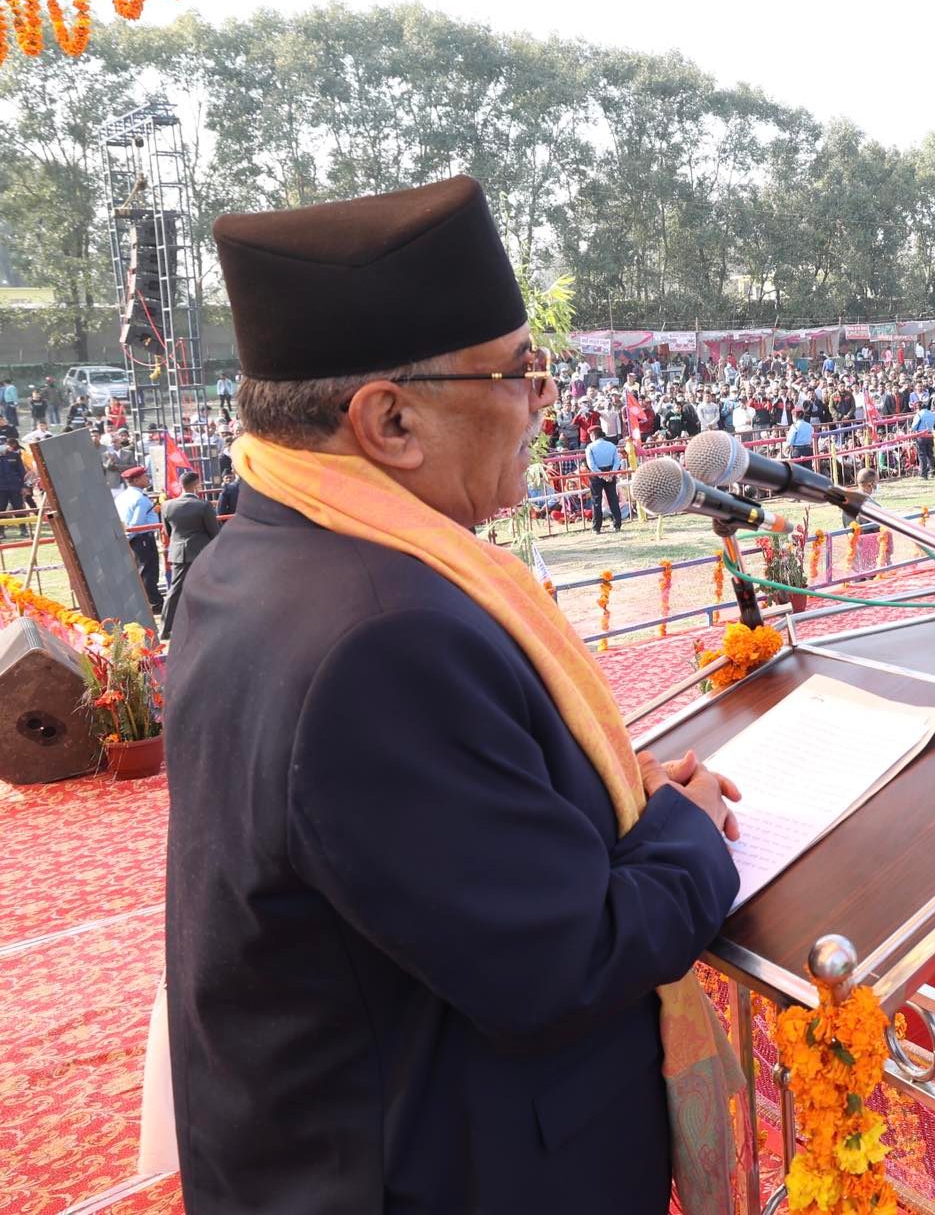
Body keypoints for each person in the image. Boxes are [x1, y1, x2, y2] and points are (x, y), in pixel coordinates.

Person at [166, 175, 741, 1213]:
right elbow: (563, 960)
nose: (543, 401)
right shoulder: (384, 634)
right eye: (520, 372)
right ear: (388, 420)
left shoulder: (260, 555)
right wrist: (681, 827)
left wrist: (581, 797)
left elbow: (411, 850)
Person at [160, 469, 221, 637]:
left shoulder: (167, 505)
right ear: (197, 485)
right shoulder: (203, 505)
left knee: (174, 590)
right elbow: (214, 532)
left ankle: (165, 629)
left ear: (181, 485)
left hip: (179, 553)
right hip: (201, 551)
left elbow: (167, 531)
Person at [113, 464, 163, 613]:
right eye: (144, 477)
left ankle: (147, 601)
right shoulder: (140, 499)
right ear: (135, 480)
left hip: (133, 538)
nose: (147, 479)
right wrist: (130, 537)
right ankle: (154, 602)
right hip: (142, 538)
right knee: (148, 571)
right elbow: (136, 523)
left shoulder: (122, 496)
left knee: (141, 571)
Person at [585, 432, 624, 533]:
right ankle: (617, 525)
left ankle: (596, 527)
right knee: (613, 499)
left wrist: (602, 475)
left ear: (593, 435)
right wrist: (611, 474)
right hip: (610, 472)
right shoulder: (612, 445)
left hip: (596, 475)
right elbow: (617, 461)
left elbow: (591, 465)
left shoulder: (590, 447)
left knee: (596, 501)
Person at [0, 432, 26, 536]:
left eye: (3, 443)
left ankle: (23, 530)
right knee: (1, 510)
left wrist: (24, 486)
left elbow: (22, 472)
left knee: (18, 508)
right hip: (1, 489)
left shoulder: (15, 455)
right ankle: (1, 532)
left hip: (15, 487)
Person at [910, 397, 935, 479]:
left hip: (921, 436)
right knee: (930, 454)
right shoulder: (932, 414)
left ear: (918, 408)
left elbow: (914, 427)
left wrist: (912, 430)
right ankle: (933, 471)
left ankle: (923, 474)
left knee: (922, 455)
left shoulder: (919, 414)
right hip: (930, 434)